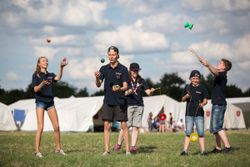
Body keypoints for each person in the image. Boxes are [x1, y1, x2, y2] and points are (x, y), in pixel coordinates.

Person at [95, 46, 130, 156]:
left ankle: (128, 151)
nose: (111, 57)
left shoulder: (123, 69)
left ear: (118, 55)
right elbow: (98, 85)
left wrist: (120, 88)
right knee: (106, 125)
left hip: (120, 101)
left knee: (124, 126)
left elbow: (126, 86)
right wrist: (96, 77)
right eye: (109, 55)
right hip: (108, 101)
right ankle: (107, 150)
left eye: (113, 54)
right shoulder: (104, 69)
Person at [113, 63, 155, 154]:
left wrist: (151, 91)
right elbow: (120, 93)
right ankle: (119, 144)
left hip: (139, 105)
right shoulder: (126, 80)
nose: (135, 72)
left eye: (137, 70)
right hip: (128, 105)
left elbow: (148, 92)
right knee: (126, 126)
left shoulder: (142, 80)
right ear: (130, 71)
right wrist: (127, 92)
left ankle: (133, 147)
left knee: (136, 127)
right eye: (133, 70)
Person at [196, 51, 233, 154]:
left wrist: (207, 64)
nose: (218, 63)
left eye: (220, 63)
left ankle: (228, 146)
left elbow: (215, 72)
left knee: (217, 127)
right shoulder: (219, 74)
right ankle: (218, 148)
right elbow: (214, 71)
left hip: (219, 104)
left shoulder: (222, 74)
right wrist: (206, 65)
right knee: (213, 128)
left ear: (224, 67)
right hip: (217, 104)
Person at [32, 56, 67, 158]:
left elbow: (58, 78)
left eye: (46, 61)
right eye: (43, 61)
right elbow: (35, 90)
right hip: (40, 102)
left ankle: (58, 149)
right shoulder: (36, 75)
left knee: (56, 126)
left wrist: (61, 67)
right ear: (39, 64)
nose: (46, 62)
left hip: (50, 103)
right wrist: (42, 83)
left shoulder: (50, 75)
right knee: (40, 127)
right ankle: (37, 151)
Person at [180, 70, 208, 156]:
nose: (195, 80)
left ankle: (203, 151)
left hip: (199, 114)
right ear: (190, 78)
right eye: (193, 78)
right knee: (188, 132)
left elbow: (206, 100)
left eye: (197, 78)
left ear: (199, 79)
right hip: (189, 114)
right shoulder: (187, 87)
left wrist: (203, 103)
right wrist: (186, 96)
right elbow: (182, 99)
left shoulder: (202, 88)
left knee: (201, 133)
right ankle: (185, 151)